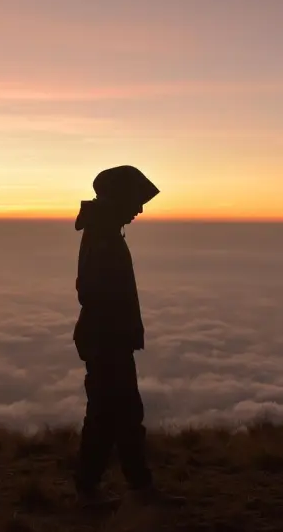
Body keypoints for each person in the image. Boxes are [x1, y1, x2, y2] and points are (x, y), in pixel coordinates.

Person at [72, 165, 183, 508]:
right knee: (116, 415)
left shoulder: (103, 231)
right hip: (108, 342)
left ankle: (121, 486)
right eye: (136, 200)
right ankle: (122, 489)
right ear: (119, 199)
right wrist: (116, 334)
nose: (140, 209)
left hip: (106, 340)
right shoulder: (103, 237)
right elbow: (94, 291)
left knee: (113, 415)